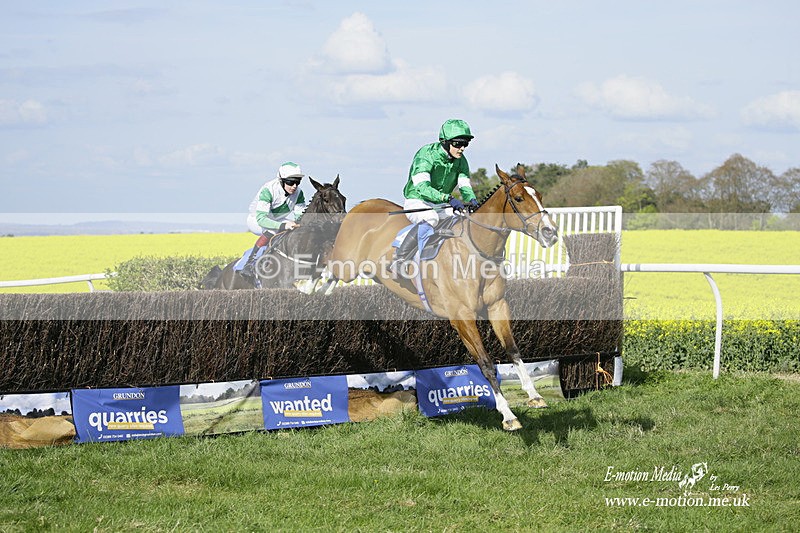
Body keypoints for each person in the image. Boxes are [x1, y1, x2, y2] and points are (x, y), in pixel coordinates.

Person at [391, 119, 480, 271]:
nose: (462, 148)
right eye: (458, 144)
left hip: (440, 203)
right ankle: (399, 260)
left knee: (461, 219)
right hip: (418, 200)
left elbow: (464, 185)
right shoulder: (426, 154)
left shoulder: (461, 161)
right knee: (431, 218)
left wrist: (472, 200)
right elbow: (422, 187)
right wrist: (448, 198)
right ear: (445, 142)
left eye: (465, 144)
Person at [240, 161, 307, 281]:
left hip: (277, 219)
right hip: (256, 219)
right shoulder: (269, 189)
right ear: (281, 180)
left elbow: (299, 216)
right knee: (273, 229)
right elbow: (262, 219)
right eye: (291, 182)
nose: (295, 186)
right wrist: (283, 225)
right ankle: (249, 263)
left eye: (297, 182)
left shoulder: (299, 193)